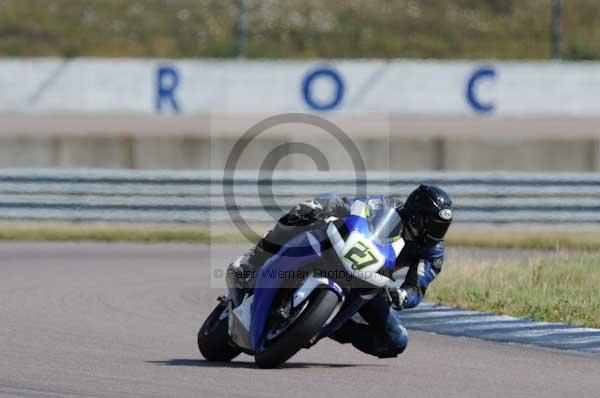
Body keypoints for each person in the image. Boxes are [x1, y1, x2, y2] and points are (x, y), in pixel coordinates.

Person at [229, 184, 453, 358]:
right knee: (302, 213)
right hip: (339, 249)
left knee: (396, 340)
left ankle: (326, 324)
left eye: (441, 227)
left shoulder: (433, 252)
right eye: (431, 224)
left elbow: (417, 286)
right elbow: (348, 204)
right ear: (415, 214)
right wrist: (320, 206)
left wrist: (402, 296)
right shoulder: (384, 206)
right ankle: (255, 260)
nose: (435, 233)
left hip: (371, 281)